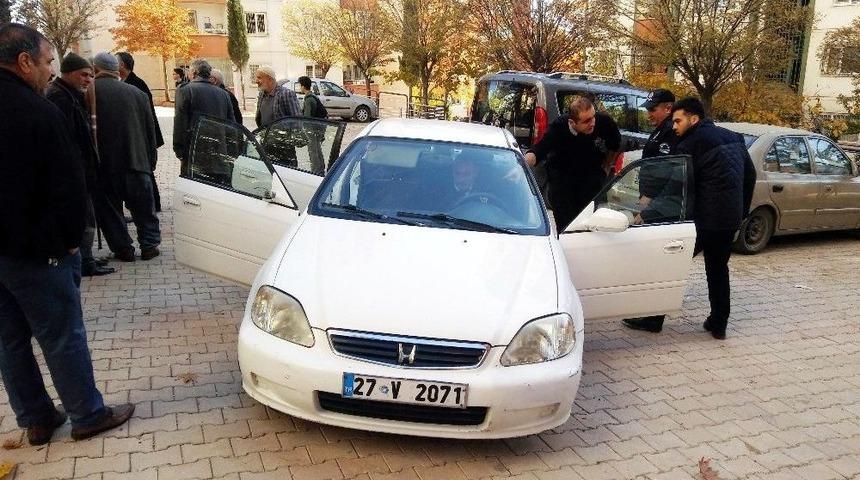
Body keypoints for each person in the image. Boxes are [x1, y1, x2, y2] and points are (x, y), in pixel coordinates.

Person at [0, 23, 134, 446]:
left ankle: (36, 419)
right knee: (61, 335)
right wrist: (71, 240)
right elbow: (69, 182)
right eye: (45, 62)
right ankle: (87, 413)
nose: (49, 70)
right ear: (23, 62)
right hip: (41, 252)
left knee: (9, 340)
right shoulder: (38, 111)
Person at [671, 97, 756, 340]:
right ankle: (719, 324)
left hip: (703, 220)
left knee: (671, 265)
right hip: (728, 218)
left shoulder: (689, 143)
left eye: (678, 121)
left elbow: (680, 185)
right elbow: (750, 175)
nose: (674, 127)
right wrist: (741, 211)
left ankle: (651, 318)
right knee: (718, 269)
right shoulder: (733, 137)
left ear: (694, 119)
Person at [45, 53, 116, 277]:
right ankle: (85, 262)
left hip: (82, 169)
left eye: (91, 75)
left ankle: (86, 259)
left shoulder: (70, 95)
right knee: (85, 220)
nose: (88, 80)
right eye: (84, 75)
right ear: (69, 73)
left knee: (88, 217)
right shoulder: (61, 98)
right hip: (75, 172)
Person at [91, 51, 161, 262]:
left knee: (111, 212)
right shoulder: (138, 94)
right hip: (137, 161)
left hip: (105, 165)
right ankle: (149, 245)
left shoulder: (89, 92)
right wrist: (150, 161)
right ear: (116, 69)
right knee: (143, 209)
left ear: (95, 69)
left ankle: (123, 248)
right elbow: (150, 131)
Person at [622, 88, 680, 333]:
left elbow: (670, 172)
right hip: (652, 202)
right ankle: (649, 311)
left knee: (660, 261)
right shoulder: (662, 128)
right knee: (652, 259)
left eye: (652, 109)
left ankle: (654, 317)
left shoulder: (672, 131)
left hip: (660, 206)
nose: (648, 114)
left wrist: (650, 202)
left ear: (668, 107)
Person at [525, 96, 621, 231]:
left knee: (588, 227)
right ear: (572, 122)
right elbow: (540, 149)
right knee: (567, 228)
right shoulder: (559, 127)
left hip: (591, 181)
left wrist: (606, 167)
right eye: (587, 121)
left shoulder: (604, 122)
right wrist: (521, 165)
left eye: (593, 117)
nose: (592, 123)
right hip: (563, 182)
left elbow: (615, 145)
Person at [116, 51, 164, 213]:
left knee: (145, 171)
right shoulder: (126, 82)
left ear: (122, 65)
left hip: (141, 135)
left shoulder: (136, 84)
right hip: (139, 134)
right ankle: (149, 203)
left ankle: (153, 203)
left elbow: (145, 114)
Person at [173, 59, 235, 174]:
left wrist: (179, 150)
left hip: (195, 155)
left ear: (194, 73)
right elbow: (231, 125)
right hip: (219, 155)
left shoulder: (185, 90)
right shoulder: (224, 94)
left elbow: (180, 123)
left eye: (189, 72)